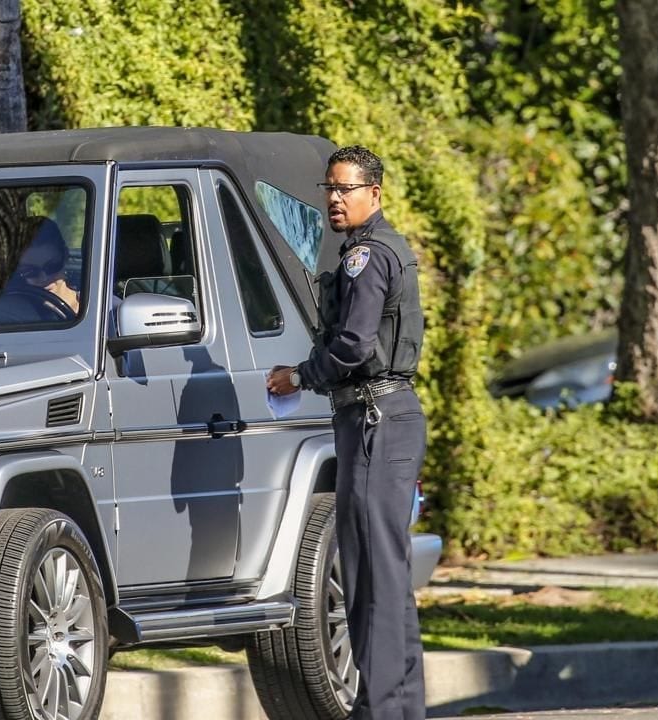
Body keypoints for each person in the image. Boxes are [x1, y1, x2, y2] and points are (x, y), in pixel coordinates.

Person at [266, 146, 427, 720]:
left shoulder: (366, 256)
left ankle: (379, 710)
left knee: (369, 577)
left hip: (374, 423)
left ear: (374, 194)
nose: (334, 199)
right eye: (328, 189)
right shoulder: (385, 249)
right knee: (386, 573)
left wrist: (298, 377)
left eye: (345, 189)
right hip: (385, 418)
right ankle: (398, 709)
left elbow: (355, 347)